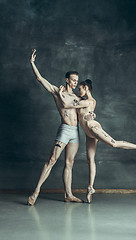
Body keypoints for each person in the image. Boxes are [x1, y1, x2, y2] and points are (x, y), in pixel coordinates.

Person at [58, 79, 136, 203]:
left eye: (80, 88)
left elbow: (66, 105)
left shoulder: (87, 101)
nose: (78, 90)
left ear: (86, 87)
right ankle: (90, 188)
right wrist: (91, 114)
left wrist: (61, 93)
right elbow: (87, 111)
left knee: (113, 143)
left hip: (93, 128)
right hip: (88, 133)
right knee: (90, 159)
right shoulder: (89, 101)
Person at [27, 49, 84, 205]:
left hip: (75, 133)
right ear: (67, 80)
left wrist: (91, 117)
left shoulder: (77, 97)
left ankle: (68, 194)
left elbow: (85, 113)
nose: (75, 83)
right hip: (65, 130)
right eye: (73, 80)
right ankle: (36, 192)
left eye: (76, 80)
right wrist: (32, 63)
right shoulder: (57, 92)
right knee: (52, 160)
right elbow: (40, 79)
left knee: (69, 164)